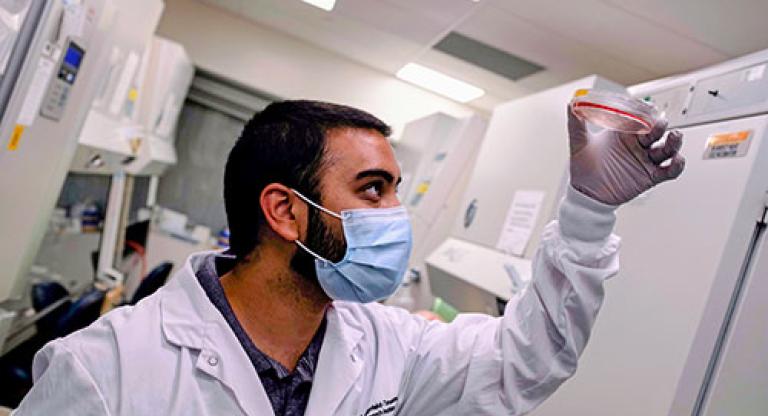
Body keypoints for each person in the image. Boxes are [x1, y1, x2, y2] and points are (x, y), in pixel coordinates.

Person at [13, 100, 685, 415]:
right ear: (284, 211)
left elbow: (528, 361)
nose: (396, 215)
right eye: (373, 190)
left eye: (395, 189)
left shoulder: (388, 347)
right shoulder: (108, 370)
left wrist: (590, 212)